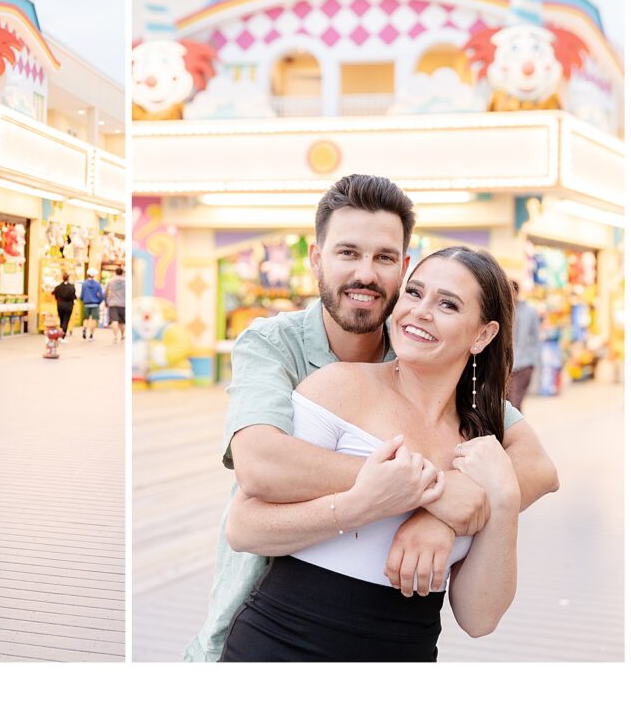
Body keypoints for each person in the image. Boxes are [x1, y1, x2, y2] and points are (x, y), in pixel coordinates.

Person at [184, 173, 559, 661]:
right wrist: (426, 492)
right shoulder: (286, 352)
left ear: (400, 268)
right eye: (347, 253)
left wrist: (450, 517)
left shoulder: (446, 387)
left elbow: (538, 467)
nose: (365, 273)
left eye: (383, 258)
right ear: (317, 259)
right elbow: (259, 468)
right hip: (274, 623)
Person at [222, 246, 520, 660]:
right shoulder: (340, 387)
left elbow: (479, 619)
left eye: (448, 304)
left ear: (483, 335)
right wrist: (360, 506)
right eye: (414, 293)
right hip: (282, 646)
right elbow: (243, 527)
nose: (420, 311)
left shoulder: (480, 442)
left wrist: (502, 503)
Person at [508, 279, 541, 410]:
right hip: (505, 365)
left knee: (515, 403)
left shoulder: (530, 312)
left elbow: (536, 338)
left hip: (524, 364)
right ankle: (510, 430)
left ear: (516, 292)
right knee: (506, 405)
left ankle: (516, 429)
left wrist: (534, 361)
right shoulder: (502, 311)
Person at [80, 269, 104, 342]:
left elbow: (81, 295)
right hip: (95, 304)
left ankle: (84, 328)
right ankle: (91, 335)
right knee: (94, 319)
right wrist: (98, 301)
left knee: (86, 318)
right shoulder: (97, 284)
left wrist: (84, 300)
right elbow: (101, 296)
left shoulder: (84, 284)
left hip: (86, 304)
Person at [52, 272, 77, 342]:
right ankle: (62, 335)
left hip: (60, 304)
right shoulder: (72, 287)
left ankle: (60, 334)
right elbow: (74, 296)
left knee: (61, 320)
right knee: (66, 320)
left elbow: (55, 295)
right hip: (68, 305)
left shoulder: (58, 287)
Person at [105, 266, 126, 343]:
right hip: (123, 304)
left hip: (113, 303)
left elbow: (106, 292)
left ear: (115, 273)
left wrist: (106, 301)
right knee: (123, 321)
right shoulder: (126, 281)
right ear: (122, 273)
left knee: (114, 320)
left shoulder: (111, 281)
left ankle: (115, 336)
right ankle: (123, 335)